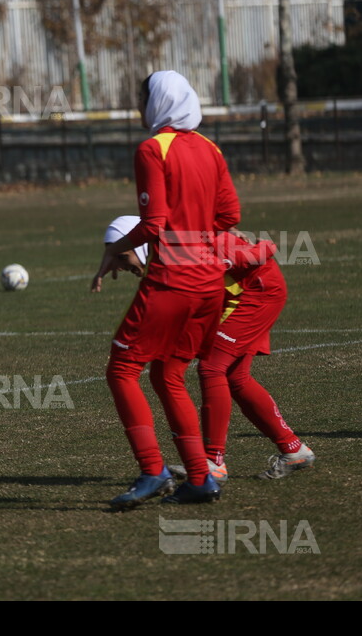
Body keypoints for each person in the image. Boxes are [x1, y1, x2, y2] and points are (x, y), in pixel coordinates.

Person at [91, 71, 240, 509]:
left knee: (121, 369)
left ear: (158, 102)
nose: (139, 110)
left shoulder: (152, 149)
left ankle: (152, 469)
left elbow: (153, 224)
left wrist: (113, 250)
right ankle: (200, 479)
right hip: (211, 281)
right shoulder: (210, 147)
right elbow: (230, 213)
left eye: (142, 100)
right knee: (167, 374)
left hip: (175, 278)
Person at [102, 220, 315, 483]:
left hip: (258, 293)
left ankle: (214, 461)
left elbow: (254, 253)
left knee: (211, 367)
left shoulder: (184, 249)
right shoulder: (165, 256)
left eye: (124, 255)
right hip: (241, 296)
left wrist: (264, 245)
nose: (121, 265)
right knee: (236, 378)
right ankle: (294, 450)